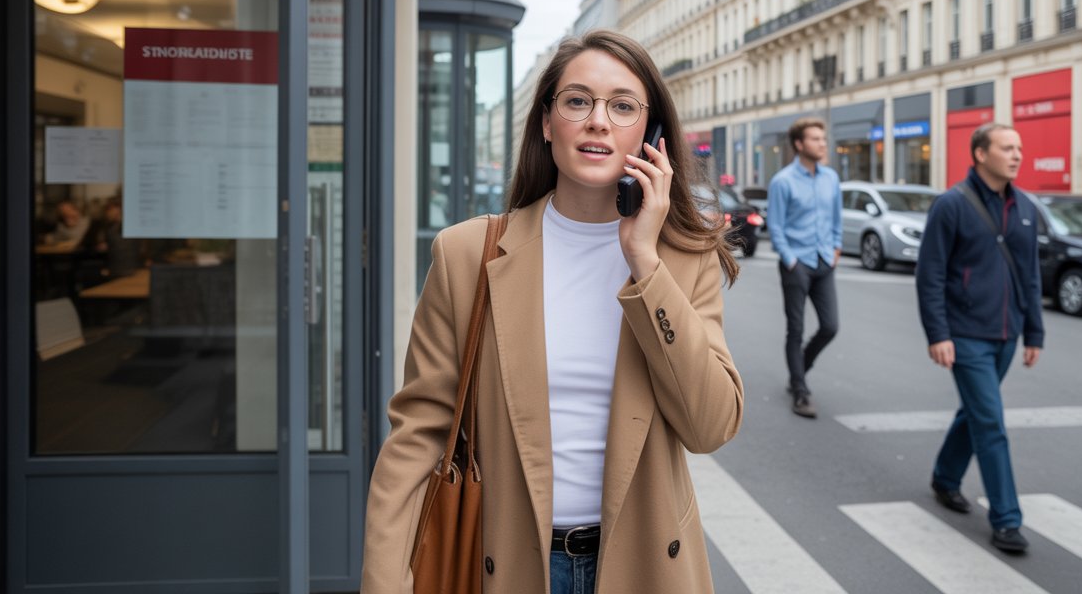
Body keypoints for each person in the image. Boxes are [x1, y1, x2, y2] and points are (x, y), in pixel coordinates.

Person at [361, 30, 744, 594]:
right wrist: (383, 582)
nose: (598, 121)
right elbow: (417, 438)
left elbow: (709, 425)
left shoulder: (683, 261)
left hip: (645, 569)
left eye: (622, 106)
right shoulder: (469, 254)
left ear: (651, 132)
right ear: (547, 122)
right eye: (577, 101)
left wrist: (644, 260)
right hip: (509, 563)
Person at [915, 122, 1044, 554]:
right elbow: (930, 274)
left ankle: (945, 478)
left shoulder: (1025, 206)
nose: (1017, 155)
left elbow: (1030, 275)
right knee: (990, 420)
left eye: (1019, 148)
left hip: (1007, 333)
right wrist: (939, 333)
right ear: (980, 155)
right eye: (1007, 148)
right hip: (966, 334)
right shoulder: (951, 204)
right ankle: (1007, 520)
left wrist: (1034, 333)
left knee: (975, 411)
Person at [766, 117, 842, 419]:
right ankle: (800, 390)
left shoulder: (831, 179)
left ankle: (799, 369)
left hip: (824, 261)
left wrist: (835, 249)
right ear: (799, 144)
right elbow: (776, 226)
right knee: (795, 329)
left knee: (830, 326)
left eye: (823, 139)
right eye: (815, 139)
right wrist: (791, 260)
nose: (822, 144)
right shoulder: (783, 181)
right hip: (796, 263)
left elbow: (836, 220)